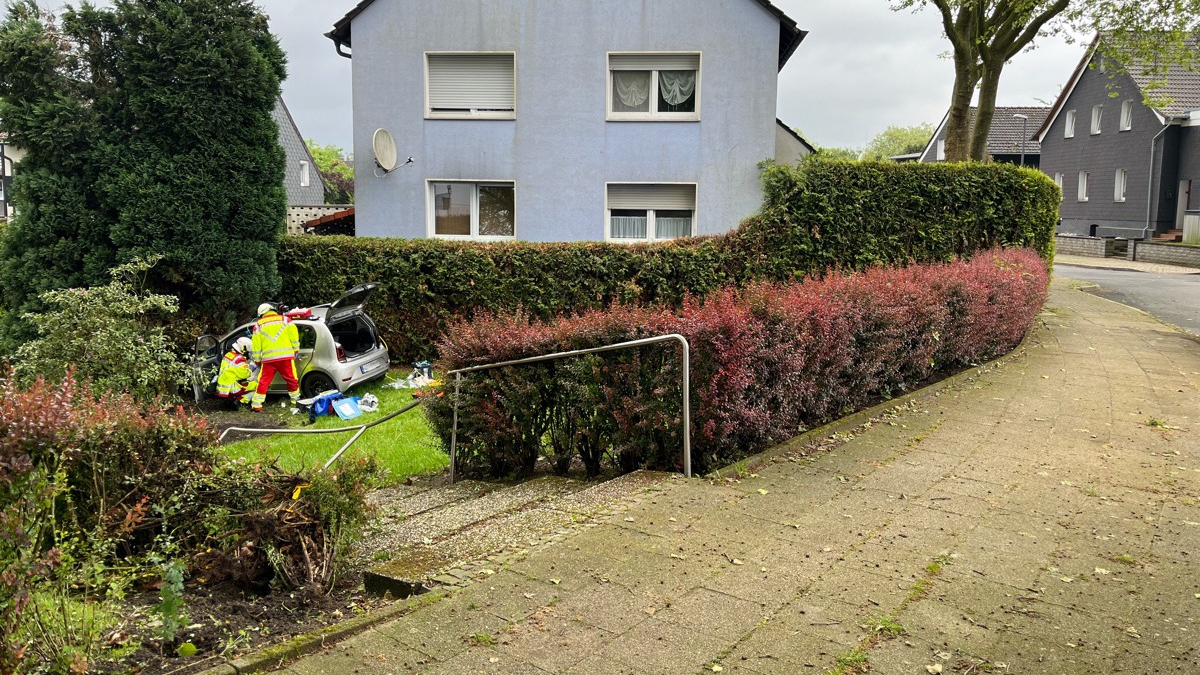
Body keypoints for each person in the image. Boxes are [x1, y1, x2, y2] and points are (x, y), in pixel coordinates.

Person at [249, 303, 301, 411]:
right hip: (286, 358)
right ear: (273, 309)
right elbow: (294, 337)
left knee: (263, 381)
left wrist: (257, 360)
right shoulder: (286, 320)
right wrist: (295, 350)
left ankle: (257, 404)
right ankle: (295, 401)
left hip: (268, 360)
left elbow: (256, 346)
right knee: (292, 379)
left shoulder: (258, 325)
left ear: (261, 314)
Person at [215, 337, 257, 407]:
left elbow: (234, 370)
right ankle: (240, 401)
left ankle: (230, 400)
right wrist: (251, 368)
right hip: (233, 387)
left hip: (224, 386)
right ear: (244, 349)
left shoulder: (228, 355)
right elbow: (245, 374)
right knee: (257, 387)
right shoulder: (239, 359)